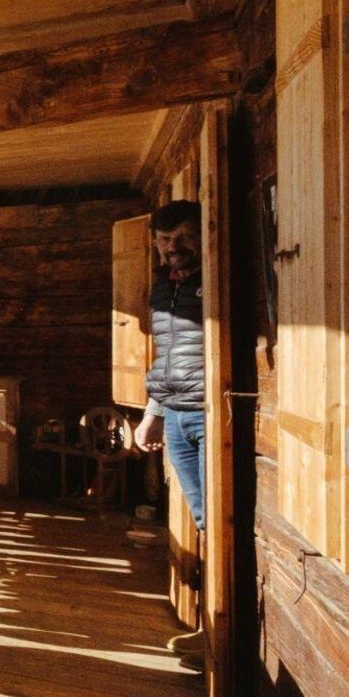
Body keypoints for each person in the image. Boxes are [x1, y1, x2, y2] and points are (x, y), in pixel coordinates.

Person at [134, 200, 205, 537]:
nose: (173, 247)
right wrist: (154, 412)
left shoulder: (217, 278)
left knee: (214, 513)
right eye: (165, 239)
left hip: (209, 413)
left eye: (183, 236)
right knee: (201, 514)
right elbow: (167, 353)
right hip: (175, 415)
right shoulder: (164, 286)